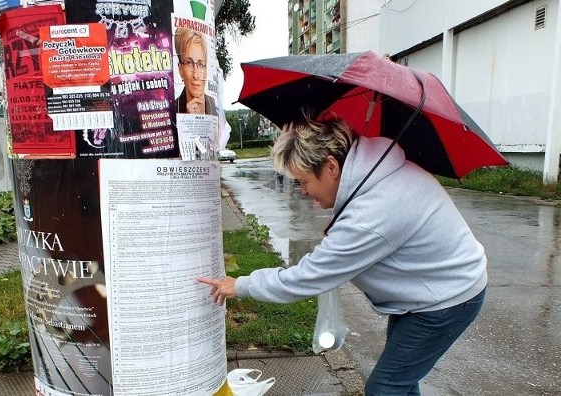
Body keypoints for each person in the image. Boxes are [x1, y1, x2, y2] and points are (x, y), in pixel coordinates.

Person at [198, 116, 487, 396]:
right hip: (429, 291)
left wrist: (240, 285)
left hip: (448, 299)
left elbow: (308, 278)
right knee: (401, 381)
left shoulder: (372, 212)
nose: (304, 191)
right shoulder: (373, 174)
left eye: (304, 181)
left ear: (332, 167)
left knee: (385, 388)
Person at [174, 27, 217, 116]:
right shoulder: (172, 110)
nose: (196, 75)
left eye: (201, 64)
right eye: (188, 63)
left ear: (206, 70)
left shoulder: (213, 105)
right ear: (180, 69)